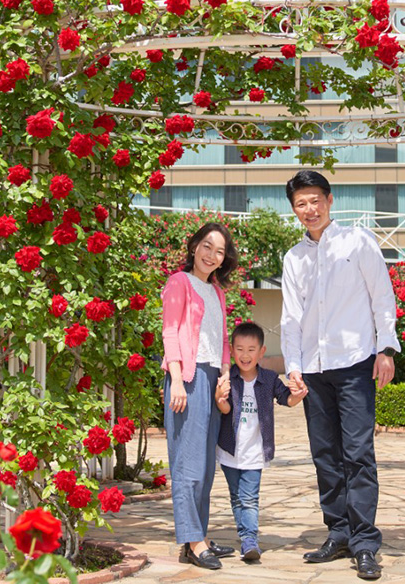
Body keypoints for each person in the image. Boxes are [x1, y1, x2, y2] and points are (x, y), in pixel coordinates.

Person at [280, 170, 399, 581]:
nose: (309, 209)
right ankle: (339, 533)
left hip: (354, 364)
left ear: (329, 200)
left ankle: (365, 542)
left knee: (358, 455)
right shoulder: (293, 258)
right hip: (313, 370)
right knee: (325, 456)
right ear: (294, 210)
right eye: (301, 204)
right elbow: (291, 318)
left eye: (315, 200)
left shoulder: (358, 241)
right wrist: (293, 367)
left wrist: (385, 348)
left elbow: (382, 296)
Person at [162, 222, 239, 570]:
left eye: (219, 251)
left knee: (206, 467)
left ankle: (198, 537)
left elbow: (222, 339)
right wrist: (177, 380)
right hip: (188, 379)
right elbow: (170, 332)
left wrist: (224, 376)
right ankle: (194, 541)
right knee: (187, 465)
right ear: (194, 246)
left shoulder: (217, 291)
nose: (211, 255)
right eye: (207, 246)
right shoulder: (179, 282)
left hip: (211, 378)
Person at [214, 321, 307, 562]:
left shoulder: (268, 378)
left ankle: (250, 540)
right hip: (229, 449)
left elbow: (286, 399)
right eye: (240, 349)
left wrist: (298, 396)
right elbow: (225, 410)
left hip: (255, 450)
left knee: (249, 497)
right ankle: (244, 534)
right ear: (232, 351)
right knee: (236, 497)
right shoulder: (228, 378)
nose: (245, 355)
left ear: (261, 351)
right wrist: (219, 398)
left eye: (251, 349)